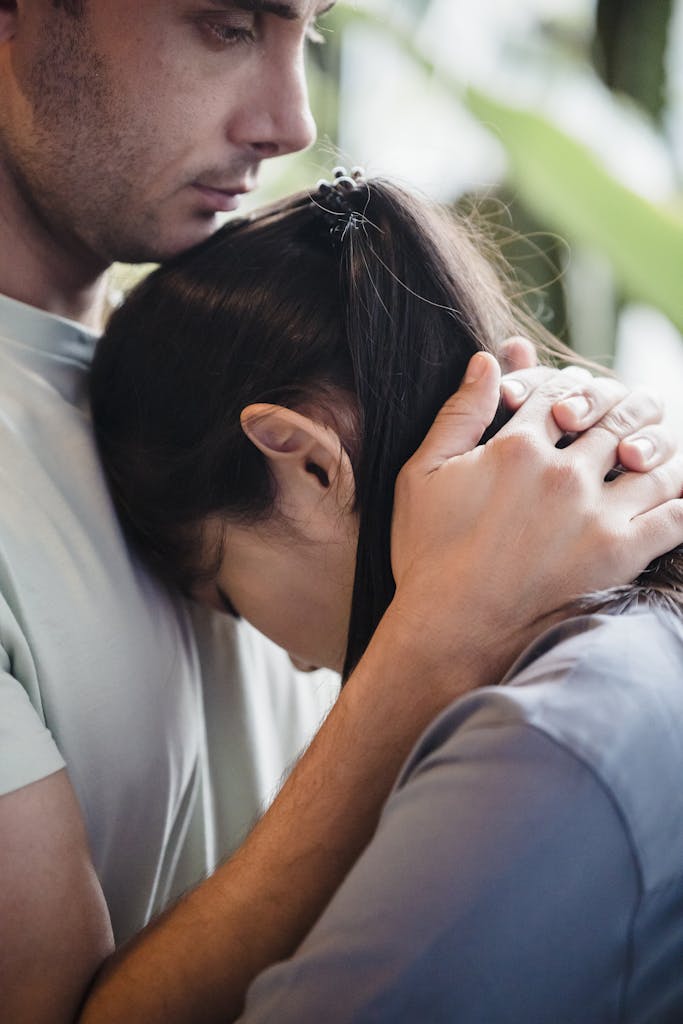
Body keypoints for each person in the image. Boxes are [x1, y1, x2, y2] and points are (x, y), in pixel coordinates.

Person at [0, 3, 681, 1022]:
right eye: (226, 25)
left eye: (308, 34)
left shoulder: (194, 368)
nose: (293, 122)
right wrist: (436, 640)